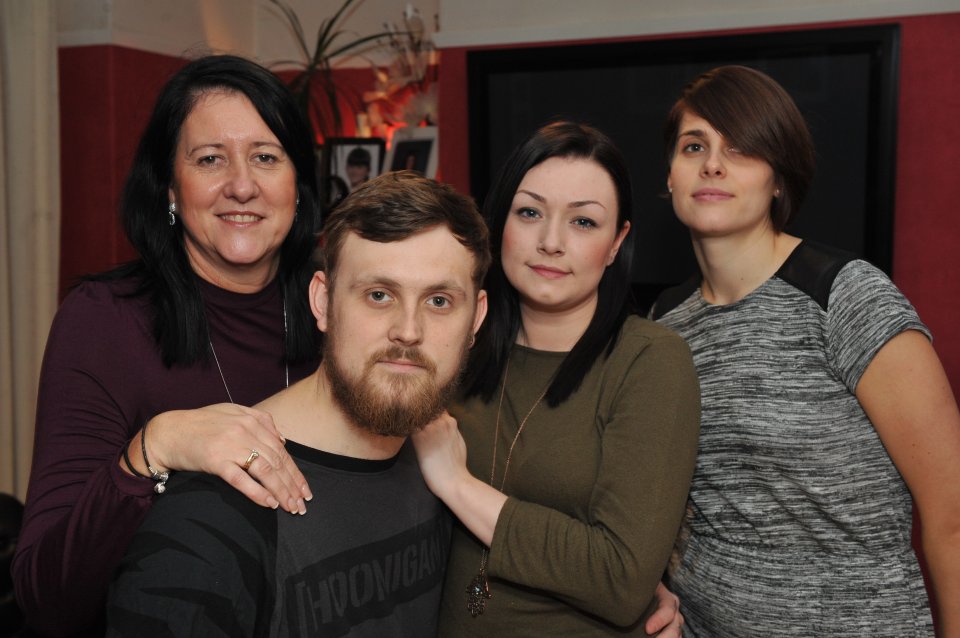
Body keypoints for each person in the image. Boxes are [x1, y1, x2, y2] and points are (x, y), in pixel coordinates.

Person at [14, 55, 322, 636]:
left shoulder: (341, 310)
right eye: (210, 159)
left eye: (265, 157)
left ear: (298, 186)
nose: (241, 185)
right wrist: (156, 446)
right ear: (170, 188)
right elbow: (45, 596)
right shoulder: (105, 323)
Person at [106, 171, 491, 636]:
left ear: (477, 318)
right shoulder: (216, 515)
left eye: (439, 301)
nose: (408, 331)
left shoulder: (441, 459)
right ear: (323, 302)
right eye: (378, 295)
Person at [651, 65, 960, 635]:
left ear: (778, 180)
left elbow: (951, 515)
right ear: (670, 175)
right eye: (694, 146)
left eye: (741, 149)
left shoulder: (847, 296)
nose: (712, 164)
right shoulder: (661, 326)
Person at [412, 121, 701, 635]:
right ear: (500, 220)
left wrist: (455, 483)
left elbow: (620, 578)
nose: (550, 242)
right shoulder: (451, 344)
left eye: (583, 222)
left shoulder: (650, 360)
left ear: (617, 243)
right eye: (530, 213)